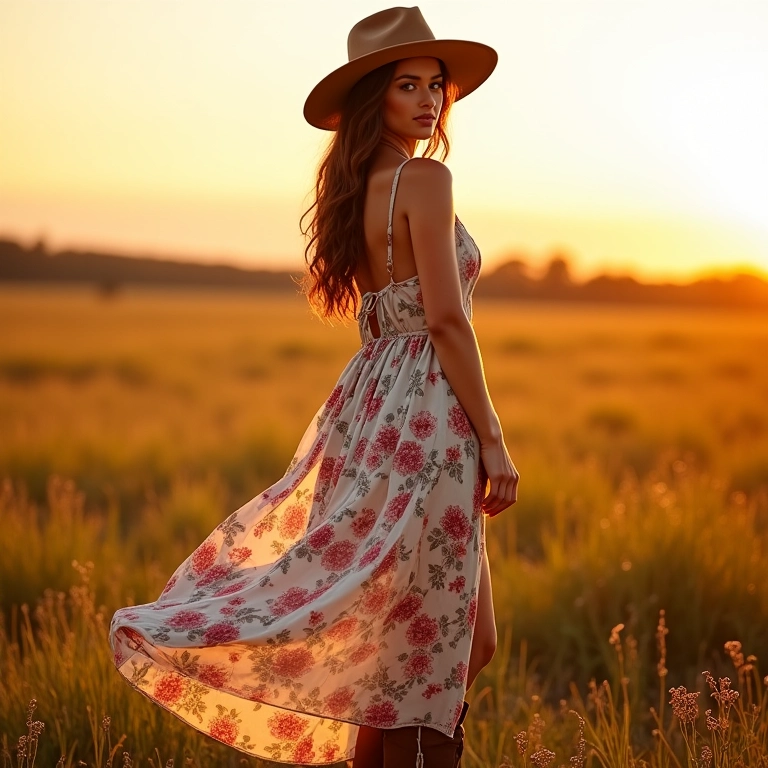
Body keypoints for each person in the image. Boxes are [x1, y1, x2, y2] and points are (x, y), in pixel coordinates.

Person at [109, 6, 519, 767]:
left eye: (435, 84)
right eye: (407, 85)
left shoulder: (355, 189)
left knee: (445, 643)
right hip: (428, 415)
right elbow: (445, 319)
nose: (429, 99)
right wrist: (493, 440)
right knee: (432, 650)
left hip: (369, 410)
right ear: (374, 97)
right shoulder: (425, 178)